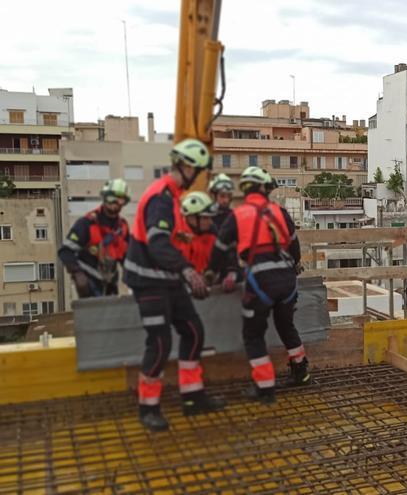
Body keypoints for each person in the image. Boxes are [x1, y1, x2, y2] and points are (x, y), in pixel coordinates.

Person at [124, 138, 226, 431]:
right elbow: (157, 244)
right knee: (159, 342)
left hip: (167, 278)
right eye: (199, 171)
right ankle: (148, 408)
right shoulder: (161, 198)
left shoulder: (174, 197)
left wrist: (196, 270)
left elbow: (178, 243)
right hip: (148, 280)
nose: (199, 178)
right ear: (188, 167)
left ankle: (193, 398)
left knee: (193, 331)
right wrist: (188, 272)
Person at [210, 166, 309, 404]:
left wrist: (216, 272)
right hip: (287, 281)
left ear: (244, 189)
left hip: (260, 281)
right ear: (265, 188)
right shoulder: (281, 213)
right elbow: (294, 248)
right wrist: (293, 265)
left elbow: (220, 250)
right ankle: (301, 371)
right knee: (286, 326)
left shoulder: (237, 215)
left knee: (253, 335)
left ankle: (265, 386)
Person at [58, 179, 130, 298]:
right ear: (104, 198)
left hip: (110, 283)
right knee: (93, 314)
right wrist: (77, 273)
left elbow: (127, 256)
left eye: (120, 200)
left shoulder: (122, 227)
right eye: (111, 198)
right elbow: (65, 251)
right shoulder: (86, 224)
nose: (115, 203)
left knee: (114, 314)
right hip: (89, 283)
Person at [179, 191, 239, 291]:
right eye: (205, 218)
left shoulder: (213, 235)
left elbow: (228, 258)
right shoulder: (178, 239)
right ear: (191, 217)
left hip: (212, 294)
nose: (210, 222)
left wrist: (231, 274)